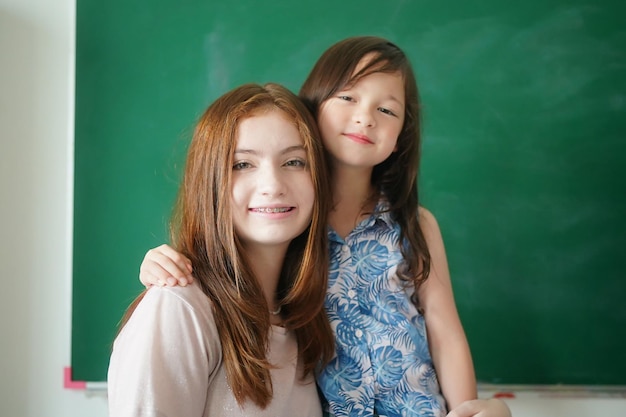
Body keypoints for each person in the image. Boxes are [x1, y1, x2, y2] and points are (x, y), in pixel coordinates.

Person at [137, 37, 512, 417]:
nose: (365, 117)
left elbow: (444, 328)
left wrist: (468, 408)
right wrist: (162, 261)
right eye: (348, 98)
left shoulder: (413, 225)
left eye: (386, 109)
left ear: (402, 138)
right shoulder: (289, 219)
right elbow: (229, 257)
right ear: (311, 111)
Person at [107, 82, 335, 417]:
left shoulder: (302, 318)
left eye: (295, 162)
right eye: (242, 164)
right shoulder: (178, 308)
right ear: (209, 182)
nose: (273, 184)